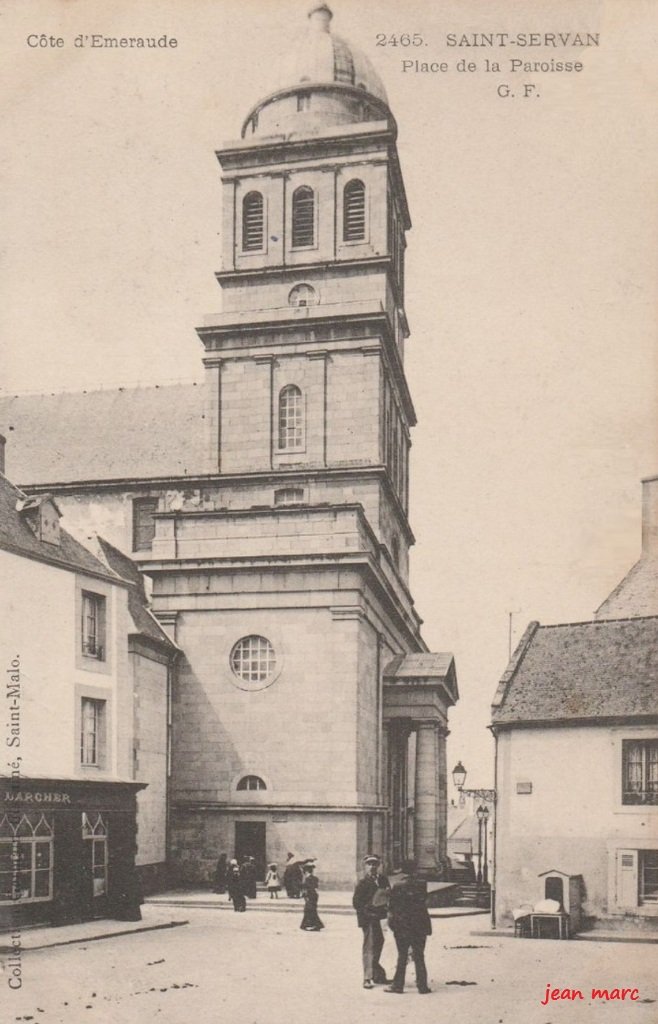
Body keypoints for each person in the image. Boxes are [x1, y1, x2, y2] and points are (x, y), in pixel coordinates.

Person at [385, 860, 432, 995]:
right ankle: (422, 986)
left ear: (403, 870)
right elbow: (423, 901)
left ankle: (398, 985)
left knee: (402, 956)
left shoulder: (398, 886)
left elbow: (392, 907)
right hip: (420, 926)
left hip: (403, 927)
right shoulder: (422, 885)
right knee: (419, 956)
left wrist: (393, 924)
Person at [352, 854, 390, 989]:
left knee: (379, 944)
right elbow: (356, 903)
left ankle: (377, 975)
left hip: (381, 918)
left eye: (375, 864)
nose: (372, 867)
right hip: (368, 919)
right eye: (369, 864)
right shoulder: (362, 883)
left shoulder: (383, 880)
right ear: (365, 866)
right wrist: (369, 912)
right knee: (369, 947)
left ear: (378, 865)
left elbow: (387, 895)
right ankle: (367, 978)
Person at [299, 862, 324, 931]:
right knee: (310, 910)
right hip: (314, 895)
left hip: (310, 895)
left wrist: (305, 893)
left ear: (306, 871)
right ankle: (306, 924)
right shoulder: (315, 878)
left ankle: (316, 925)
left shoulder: (308, 879)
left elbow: (307, 887)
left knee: (309, 910)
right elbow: (316, 886)